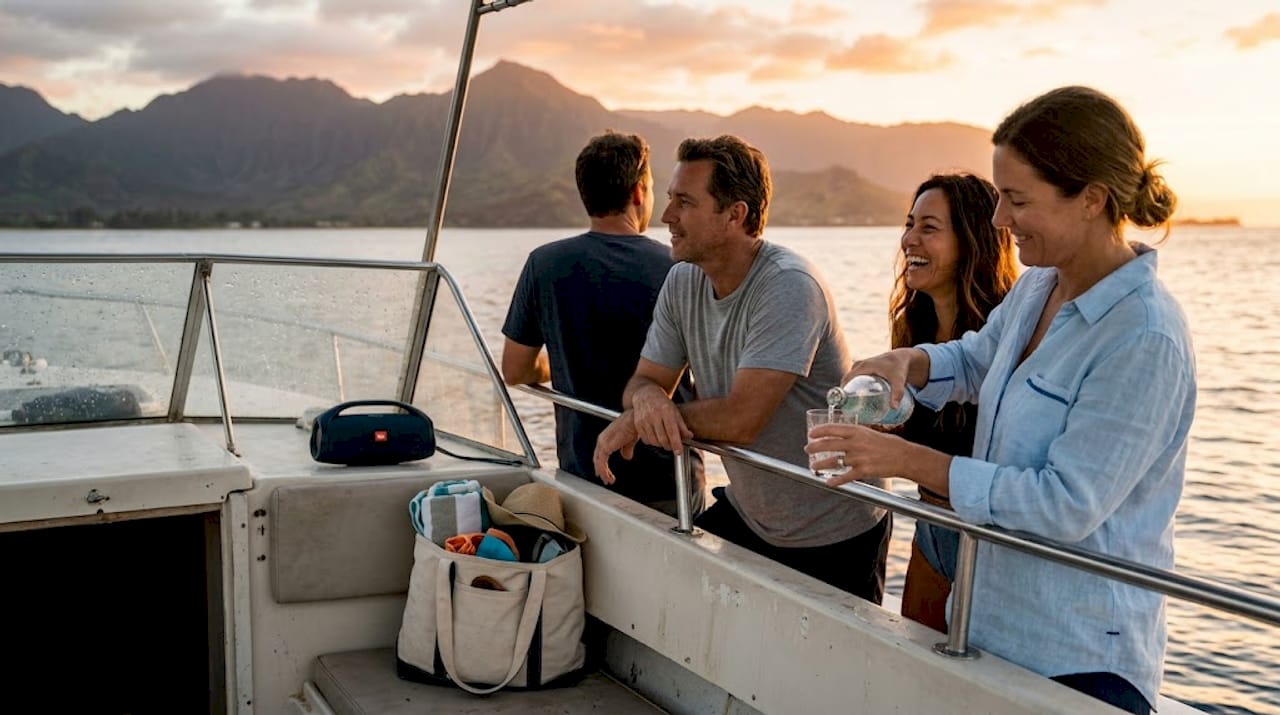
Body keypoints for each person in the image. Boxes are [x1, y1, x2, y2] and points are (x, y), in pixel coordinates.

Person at [806, 86, 1192, 714]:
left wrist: (903, 462)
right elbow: (978, 358)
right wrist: (911, 360)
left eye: (1016, 199)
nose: (998, 222)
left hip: (1075, 666)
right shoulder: (1041, 284)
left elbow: (1063, 506)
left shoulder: (1143, 337)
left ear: (1092, 198)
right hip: (982, 628)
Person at [594, 135, 891, 604]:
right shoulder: (683, 279)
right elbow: (645, 381)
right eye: (669, 199)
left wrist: (639, 419)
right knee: (664, 585)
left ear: (736, 214)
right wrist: (648, 400)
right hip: (755, 514)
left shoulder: (789, 287)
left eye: (685, 203)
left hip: (833, 527)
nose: (667, 216)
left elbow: (742, 420)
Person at [501, 130, 705, 517]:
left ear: (585, 195)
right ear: (639, 193)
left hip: (582, 475)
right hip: (667, 479)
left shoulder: (544, 265)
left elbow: (514, 370)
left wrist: (557, 361)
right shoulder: (680, 269)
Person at [892, 173, 1017, 632]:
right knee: (915, 660)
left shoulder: (1007, 337)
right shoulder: (914, 332)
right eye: (909, 224)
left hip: (986, 544)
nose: (909, 239)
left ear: (973, 241)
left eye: (928, 227)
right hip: (929, 527)